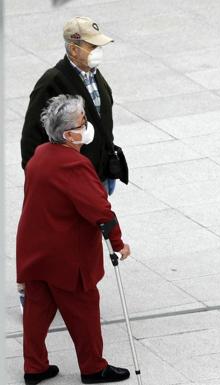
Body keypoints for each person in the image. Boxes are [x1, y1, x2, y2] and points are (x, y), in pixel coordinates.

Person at [16, 95, 132, 384]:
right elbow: (99, 209)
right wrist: (118, 243)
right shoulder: (73, 165)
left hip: (34, 250)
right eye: (82, 122)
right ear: (69, 134)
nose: (87, 125)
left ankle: (35, 367)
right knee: (84, 310)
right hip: (66, 257)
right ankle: (93, 367)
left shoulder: (40, 155)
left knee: (37, 311)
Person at [20, 16, 127, 195]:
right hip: (71, 180)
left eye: (98, 46)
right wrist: (38, 180)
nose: (98, 51)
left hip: (99, 175)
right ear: (73, 49)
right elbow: (31, 137)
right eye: (92, 46)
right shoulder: (51, 82)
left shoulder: (94, 75)